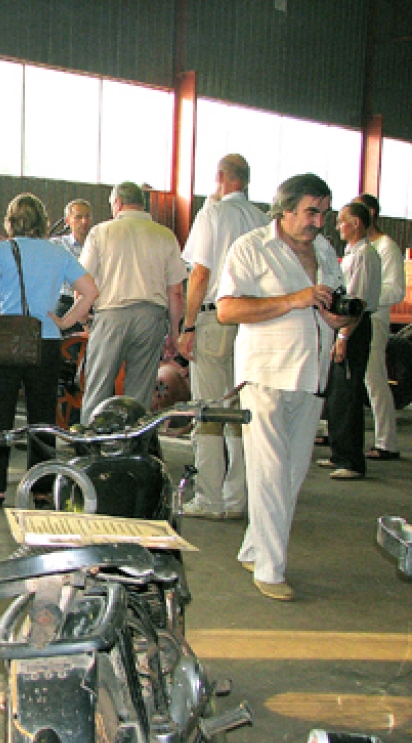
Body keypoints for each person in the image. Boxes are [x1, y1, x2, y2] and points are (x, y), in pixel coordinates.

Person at [217, 173, 348, 601]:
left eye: (324, 213)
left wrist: (341, 321)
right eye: (311, 211)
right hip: (267, 374)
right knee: (270, 472)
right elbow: (228, 309)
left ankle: (256, 548)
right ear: (285, 209)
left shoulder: (326, 251)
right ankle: (271, 569)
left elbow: (339, 308)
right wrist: (293, 299)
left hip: (311, 375)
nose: (318, 222)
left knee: (292, 472)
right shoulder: (252, 248)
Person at [0, 193, 98, 507]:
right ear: (42, 221)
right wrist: (65, 321)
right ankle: (41, 487)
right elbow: (90, 291)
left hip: (6, 342)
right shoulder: (58, 253)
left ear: (11, 221)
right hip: (47, 341)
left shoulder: (1, 250)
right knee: (42, 418)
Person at [178, 154, 269, 520]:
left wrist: (187, 326)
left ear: (220, 178)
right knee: (240, 413)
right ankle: (236, 498)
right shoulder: (263, 220)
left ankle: (209, 498)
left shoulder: (212, 215)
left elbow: (200, 273)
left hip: (216, 320)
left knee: (209, 412)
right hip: (252, 324)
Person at [78, 181, 187, 424]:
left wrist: (84, 318)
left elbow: (83, 282)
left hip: (111, 316)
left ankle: (89, 448)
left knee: (98, 386)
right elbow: (176, 292)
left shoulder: (101, 232)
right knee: (140, 394)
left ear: (117, 203)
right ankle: (133, 450)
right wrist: (174, 331)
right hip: (152, 317)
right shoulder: (165, 235)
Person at [316, 202, 381, 480]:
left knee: (348, 394)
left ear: (355, 223)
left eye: (342, 221)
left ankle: (352, 460)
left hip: (353, 327)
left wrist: (343, 338)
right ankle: (339, 452)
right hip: (344, 326)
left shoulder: (365, 255)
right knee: (337, 395)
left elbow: (358, 302)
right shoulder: (352, 254)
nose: (338, 226)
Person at [356, 192, 406, 461]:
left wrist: (366, 298)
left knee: (374, 380)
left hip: (374, 320)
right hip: (358, 319)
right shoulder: (361, 247)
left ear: (370, 215)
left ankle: (387, 441)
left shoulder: (386, 247)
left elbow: (395, 290)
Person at [51, 199, 93, 321]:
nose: (84, 221)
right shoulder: (56, 245)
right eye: (78, 217)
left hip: (92, 302)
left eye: (87, 216)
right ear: (68, 221)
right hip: (66, 301)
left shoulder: (100, 245)